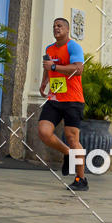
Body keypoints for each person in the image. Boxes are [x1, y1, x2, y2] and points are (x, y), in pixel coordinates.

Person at [38, 17, 87, 190]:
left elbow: (78, 69)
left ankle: (81, 180)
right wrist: (44, 81)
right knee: (44, 132)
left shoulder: (73, 46)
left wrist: (53, 68)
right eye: (54, 27)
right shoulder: (49, 49)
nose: (56, 29)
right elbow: (47, 66)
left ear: (67, 30)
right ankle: (67, 152)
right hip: (55, 98)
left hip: (73, 100)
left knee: (73, 138)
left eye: (59, 26)